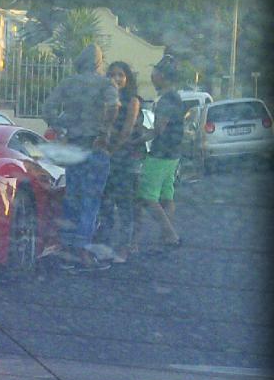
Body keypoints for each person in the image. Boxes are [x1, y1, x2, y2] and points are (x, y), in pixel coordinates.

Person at [42, 43, 120, 271]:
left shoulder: (68, 83)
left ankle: (67, 248)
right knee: (91, 200)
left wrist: (61, 128)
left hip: (73, 147)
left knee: (73, 197)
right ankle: (83, 251)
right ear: (98, 62)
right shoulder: (106, 84)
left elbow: (48, 108)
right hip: (95, 146)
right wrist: (104, 130)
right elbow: (114, 106)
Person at [132, 54, 184, 251]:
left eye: (154, 73)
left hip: (160, 154)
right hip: (174, 154)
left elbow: (158, 130)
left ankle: (171, 234)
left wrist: (136, 139)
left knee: (147, 196)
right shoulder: (176, 98)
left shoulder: (165, 101)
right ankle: (166, 237)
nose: (152, 76)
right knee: (166, 195)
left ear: (161, 76)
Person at [97, 61, 142, 263]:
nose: (116, 78)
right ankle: (104, 246)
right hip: (106, 158)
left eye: (120, 75)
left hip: (124, 159)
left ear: (127, 78)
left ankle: (124, 247)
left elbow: (127, 131)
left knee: (125, 205)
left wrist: (111, 150)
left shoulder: (132, 100)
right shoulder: (105, 99)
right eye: (112, 74)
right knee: (105, 205)